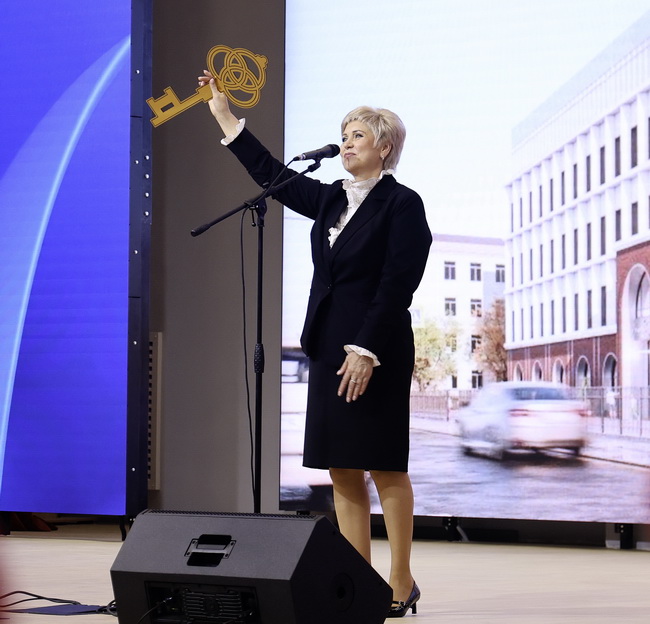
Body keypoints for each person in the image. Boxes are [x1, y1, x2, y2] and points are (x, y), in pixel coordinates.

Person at [199, 70, 432, 618]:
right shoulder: (330, 200)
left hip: (375, 350)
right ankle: (360, 582)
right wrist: (226, 118)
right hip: (329, 348)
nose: (346, 143)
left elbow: (398, 282)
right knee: (342, 467)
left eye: (357, 136)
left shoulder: (403, 204)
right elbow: (273, 177)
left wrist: (365, 349)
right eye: (343, 135)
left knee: (383, 465)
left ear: (384, 148)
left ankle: (400, 579)